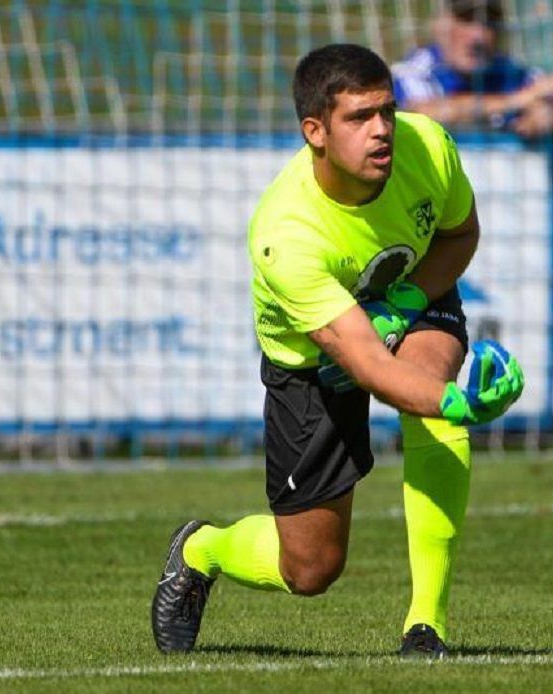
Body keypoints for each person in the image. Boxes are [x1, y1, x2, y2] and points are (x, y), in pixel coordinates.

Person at [151, 43, 524, 660]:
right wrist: (464, 403)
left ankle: (425, 627)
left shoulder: (427, 146)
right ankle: (202, 550)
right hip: (313, 360)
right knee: (312, 569)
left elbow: (459, 235)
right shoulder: (286, 234)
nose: (382, 131)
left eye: (387, 111)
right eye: (358, 118)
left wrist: (403, 306)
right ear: (315, 131)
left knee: (429, 398)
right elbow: (369, 364)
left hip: (411, 292)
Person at [391, 0, 553, 139]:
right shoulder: (414, 72)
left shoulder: (512, 72)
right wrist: (517, 100)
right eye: (466, 20)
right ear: (440, 25)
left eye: (488, 23)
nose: (477, 36)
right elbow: (422, 112)